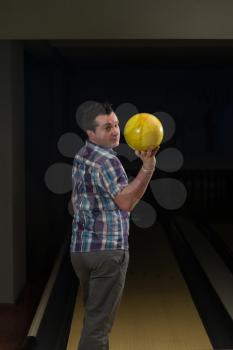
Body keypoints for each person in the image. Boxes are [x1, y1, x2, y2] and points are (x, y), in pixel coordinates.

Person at [70, 101, 159, 350]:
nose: (116, 131)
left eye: (117, 124)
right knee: (97, 328)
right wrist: (148, 167)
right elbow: (126, 202)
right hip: (108, 252)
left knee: (94, 318)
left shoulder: (81, 156)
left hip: (81, 251)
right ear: (91, 133)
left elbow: (75, 201)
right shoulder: (108, 161)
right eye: (107, 127)